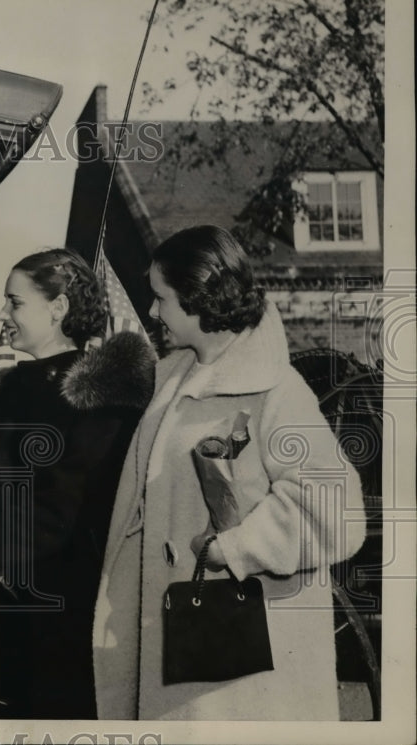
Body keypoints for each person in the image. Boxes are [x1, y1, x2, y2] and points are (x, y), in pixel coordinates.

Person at [93, 225, 365, 720]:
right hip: (183, 649)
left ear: (199, 297)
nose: (152, 312)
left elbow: (336, 508)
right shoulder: (172, 379)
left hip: (249, 670)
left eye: (161, 299)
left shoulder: (278, 391)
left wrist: (237, 548)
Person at [0, 247, 156, 719]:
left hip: (57, 606)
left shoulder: (98, 400)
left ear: (58, 309)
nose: (3, 315)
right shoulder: (14, 387)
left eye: (15, 303)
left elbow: (61, 508)